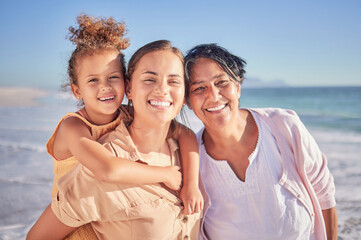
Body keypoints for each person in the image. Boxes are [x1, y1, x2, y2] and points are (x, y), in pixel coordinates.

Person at [26, 14, 202, 240]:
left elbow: (184, 132)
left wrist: (191, 184)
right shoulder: (73, 126)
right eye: (93, 80)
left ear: (125, 83)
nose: (105, 87)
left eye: (113, 77)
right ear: (76, 90)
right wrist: (164, 174)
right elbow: (107, 169)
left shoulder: (127, 115)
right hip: (75, 223)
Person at [184, 43, 338, 240]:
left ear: (237, 87)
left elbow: (324, 194)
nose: (213, 95)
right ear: (187, 101)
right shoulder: (190, 158)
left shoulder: (283, 125)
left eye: (221, 83)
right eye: (199, 88)